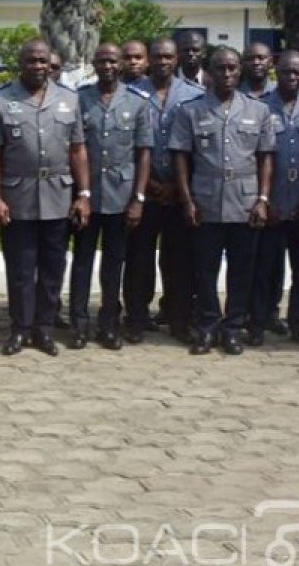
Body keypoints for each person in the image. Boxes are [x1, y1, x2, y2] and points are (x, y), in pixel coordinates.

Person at [0, 40, 89, 357]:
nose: (38, 66)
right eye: (32, 61)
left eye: (43, 61)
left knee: (53, 267)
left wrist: (83, 194)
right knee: (21, 269)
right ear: (21, 63)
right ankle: (20, 329)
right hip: (18, 198)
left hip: (58, 196)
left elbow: (78, 149)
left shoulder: (69, 99)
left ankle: (44, 330)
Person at [169, 46, 275, 356]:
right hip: (206, 203)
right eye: (220, 68)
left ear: (239, 70)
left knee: (242, 271)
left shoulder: (258, 110)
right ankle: (207, 327)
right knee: (204, 270)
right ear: (209, 71)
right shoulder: (191, 110)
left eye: (231, 68)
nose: (226, 74)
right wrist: (187, 200)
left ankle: (232, 329)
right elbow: (181, 158)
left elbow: (265, 158)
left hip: (245, 204)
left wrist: (263, 199)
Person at [68, 43, 152, 350]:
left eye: (113, 61)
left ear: (120, 66)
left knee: (114, 264)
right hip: (87, 195)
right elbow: (74, 149)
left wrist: (138, 199)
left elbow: (144, 154)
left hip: (121, 194)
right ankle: (78, 324)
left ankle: (108, 324)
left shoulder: (138, 102)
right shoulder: (80, 99)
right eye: (102, 61)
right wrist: (80, 194)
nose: (108, 66)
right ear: (94, 63)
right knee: (82, 262)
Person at [123, 38, 204, 342]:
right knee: (139, 258)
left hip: (182, 192)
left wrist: (177, 188)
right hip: (143, 190)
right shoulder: (131, 93)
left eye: (169, 56)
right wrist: (149, 185)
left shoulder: (195, 94)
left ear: (177, 59)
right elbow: (127, 145)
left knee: (180, 259)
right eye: (156, 56)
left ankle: (180, 318)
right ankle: (136, 317)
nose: (163, 62)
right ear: (148, 60)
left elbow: (199, 146)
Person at [251, 50, 299, 347]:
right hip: (273, 204)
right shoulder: (260, 108)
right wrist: (264, 200)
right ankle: (258, 322)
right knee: (264, 268)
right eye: (285, 72)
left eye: (297, 73)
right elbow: (253, 158)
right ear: (274, 73)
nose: (291, 78)